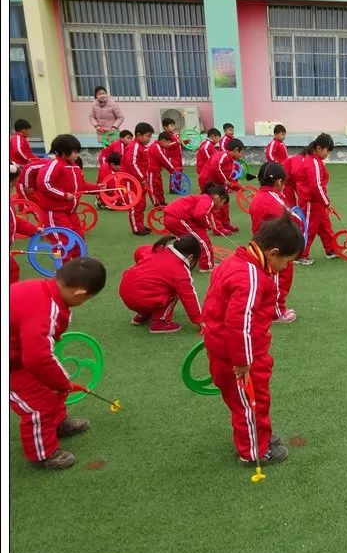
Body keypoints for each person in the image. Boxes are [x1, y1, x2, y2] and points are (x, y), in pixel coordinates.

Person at [202, 214, 304, 466]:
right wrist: (243, 361)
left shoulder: (236, 263)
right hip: (238, 358)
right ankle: (252, 452)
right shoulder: (250, 278)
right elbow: (239, 322)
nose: (285, 267)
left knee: (253, 401)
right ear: (273, 252)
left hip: (233, 351)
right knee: (250, 404)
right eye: (286, 261)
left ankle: (261, 436)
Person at [10, 257, 107, 470]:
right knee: (38, 404)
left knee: (55, 384)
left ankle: (56, 422)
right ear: (80, 293)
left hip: (17, 354)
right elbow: (37, 358)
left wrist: (59, 382)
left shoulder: (44, 288)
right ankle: (42, 454)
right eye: (86, 299)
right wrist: (62, 381)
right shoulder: (45, 309)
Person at [249, 162, 305, 323]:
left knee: (268, 278)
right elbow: (291, 219)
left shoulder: (259, 197)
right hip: (276, 247)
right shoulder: (272, 199)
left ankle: (269, 307)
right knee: (279, 279)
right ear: (279, 182)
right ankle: (276, 311)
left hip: (262, 243)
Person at [119, 234, 204, 334]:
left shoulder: (157, 248)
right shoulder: (180, 270)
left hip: (125, 291)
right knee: (175, 291)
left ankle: (143, 315)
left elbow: (139, 251)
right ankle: (160, 321)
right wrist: (200, 319)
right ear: (190, 257)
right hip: (143, 299)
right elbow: (189, 296)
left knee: (155, 286)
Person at [38, 135, 102, 260]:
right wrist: (64, 195)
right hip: (55, 212)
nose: (77, 154)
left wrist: (99, 188)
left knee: (78, 238)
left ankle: (80, 265)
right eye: (74, 151)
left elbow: (81, 186)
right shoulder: (55, 165)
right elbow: (44, 184)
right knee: (62, 241)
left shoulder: (75, 167)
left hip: (71, 212)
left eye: (77, 151)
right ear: (62, 152)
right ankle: (63, 271)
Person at [163, 184, 229, 272]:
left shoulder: (204, 198)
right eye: (223, 202)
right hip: (178, 218)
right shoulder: (208, 200)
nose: (222, 206)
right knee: (203, 240)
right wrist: (207, 225)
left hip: (172, 218)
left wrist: (207, 225)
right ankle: (206, 266)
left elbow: (200, 215)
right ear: (217, 197)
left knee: (187, 241)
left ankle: (176, 261)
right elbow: (199, 215)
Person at [295, 133, 337, 265]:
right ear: (319, 148)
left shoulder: (316, 161)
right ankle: (300, 254)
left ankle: (330, 249)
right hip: (310, 202)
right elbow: (316, 186)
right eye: (327, 151)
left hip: (317, 201)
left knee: (325, 225)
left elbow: (319, 186)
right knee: (308, 228)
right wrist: (326, 202)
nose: (328, 154)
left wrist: (325, 202)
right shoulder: (312, 162)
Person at [199, 138, 244, 234]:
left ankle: (225, 224)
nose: (241, 155)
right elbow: (215, 168)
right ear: (236, 150)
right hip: (208, 182)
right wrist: (226, 182)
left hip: (218, 184)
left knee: (225, 204)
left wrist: (237, 186)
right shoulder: (222, 155)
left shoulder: (231, 161)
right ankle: (218, 228)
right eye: (241, 152)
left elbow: (228, 178)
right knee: (216, 206)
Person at [121, 122, 154, 236]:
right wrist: (141, 178)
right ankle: (136, 228)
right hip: (132, 181)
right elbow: (132, 164)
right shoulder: (134, 146)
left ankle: (140, 225)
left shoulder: (141, 146)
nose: (149, 139)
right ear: (139, 135)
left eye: (150, 136)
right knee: (135, 204)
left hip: (139, 180)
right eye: (147, 136)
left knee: (141, 204)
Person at [146, 132, 178, 206]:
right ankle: (156, 203)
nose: (168, 145)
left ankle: (161, 202)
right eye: (168, 143)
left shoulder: (160, 147)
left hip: (157, 171)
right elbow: (163, 159)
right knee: (153, 188)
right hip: (151, 171)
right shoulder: (155, 147)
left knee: (159, 187)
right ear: (163, 141)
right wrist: (171, 168)